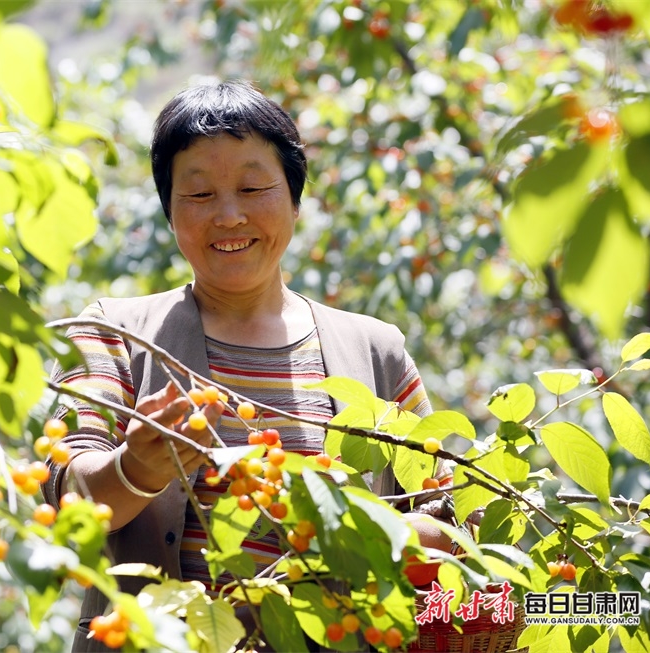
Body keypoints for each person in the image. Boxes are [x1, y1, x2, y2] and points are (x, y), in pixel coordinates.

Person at [42, 80, 433, 652]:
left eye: (254, 188)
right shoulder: (114, 333)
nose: (228, 216)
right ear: (169, 211)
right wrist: (137, 469)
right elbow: (65, 500)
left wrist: (395, 535)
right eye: (198, 195)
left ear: (294, 200)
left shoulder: (377, 352)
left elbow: (446, 513)